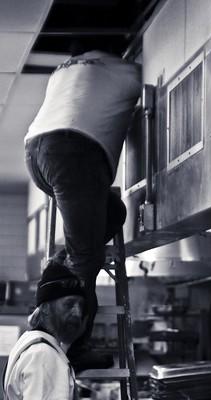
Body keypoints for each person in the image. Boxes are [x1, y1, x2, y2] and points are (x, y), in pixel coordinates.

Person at [24, 43, 142, 364]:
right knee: (86, 258)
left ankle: (63, 262)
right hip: (74, 152)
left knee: (114, 212)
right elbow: (140, 93)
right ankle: (76, 347)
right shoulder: (129, 71)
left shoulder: (66, 69)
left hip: (36, 153)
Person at [3, 259, 88, 400]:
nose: (78, 313)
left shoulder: (30, 341)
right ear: (46, 308)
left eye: (81, 305)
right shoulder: (44, 355)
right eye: (69, 304)